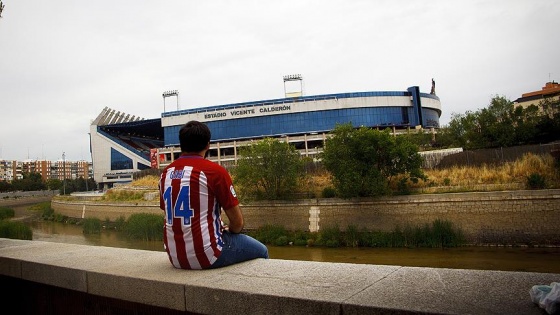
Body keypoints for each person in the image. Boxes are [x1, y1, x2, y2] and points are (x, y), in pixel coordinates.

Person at [159, 120, 268, 269]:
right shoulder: (214, 171)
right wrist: (229, 230)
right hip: (207, 256)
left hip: (176, 258)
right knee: (262, 251)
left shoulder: (166, 173)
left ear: (181, 144)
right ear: (208, 145)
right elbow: (237, 223)